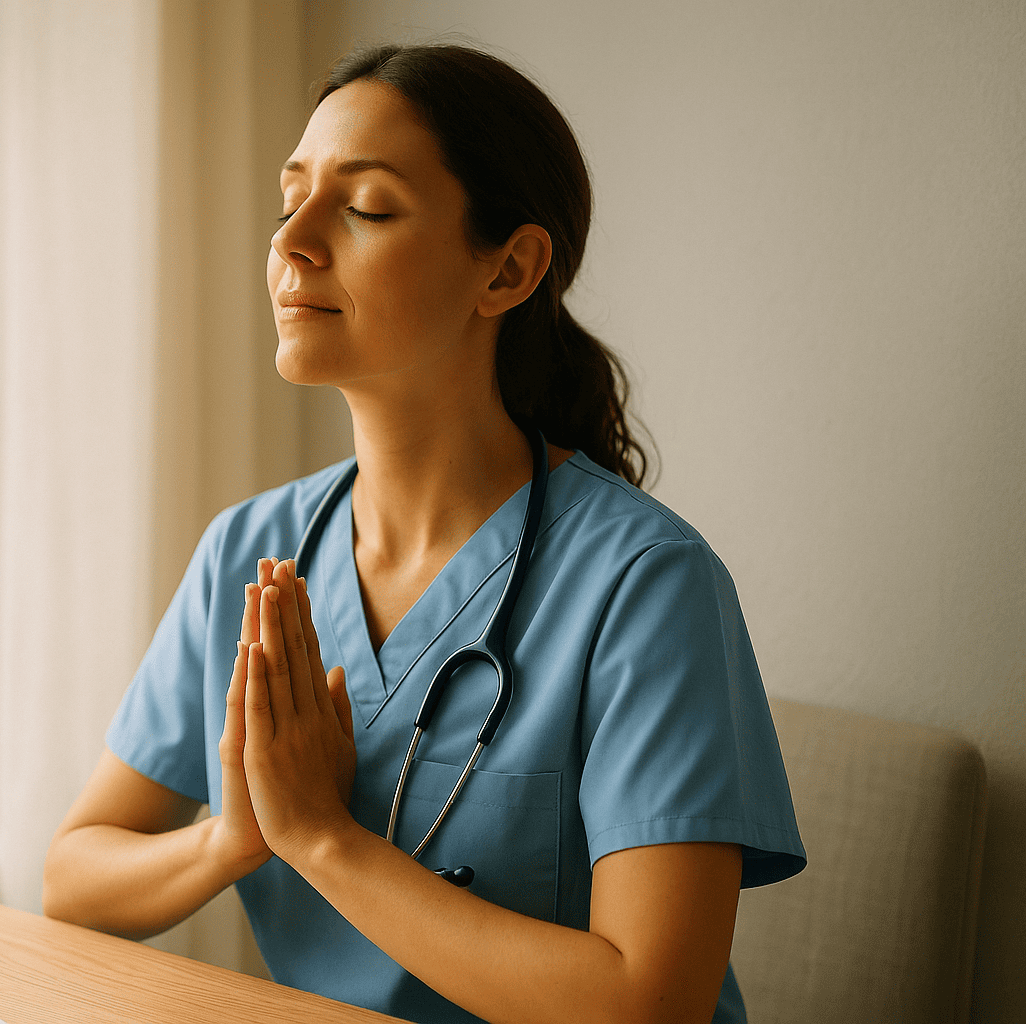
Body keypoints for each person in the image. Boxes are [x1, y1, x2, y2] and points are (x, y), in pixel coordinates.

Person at [43, 42, 804, 1024]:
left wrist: (322, 837)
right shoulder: (254, 549)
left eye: (364, 208)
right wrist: (231, 836)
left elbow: (647, 1002)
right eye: (291, 200)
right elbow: (73, 877)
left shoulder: (646, 584)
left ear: (509, 269)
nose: (293, 242)